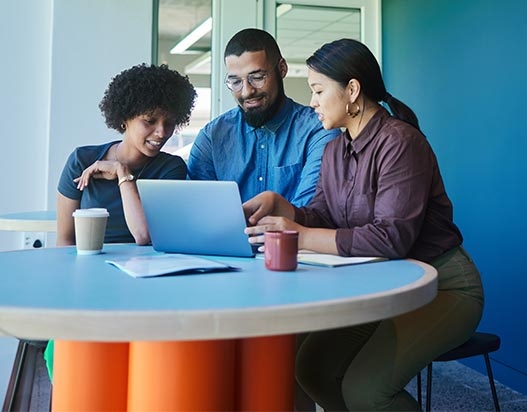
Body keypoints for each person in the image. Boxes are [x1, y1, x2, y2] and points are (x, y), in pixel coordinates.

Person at [243, 39, 484, 411]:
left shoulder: (401, 143)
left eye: (318, 90)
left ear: (351, 90)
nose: (312, 102)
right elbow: (323, 216)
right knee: (311, 370)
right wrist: (286, 210)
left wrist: (303, 235)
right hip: (383, 286)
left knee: (365, 390)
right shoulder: (335, 150)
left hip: (442, 287)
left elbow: (391, 239)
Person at [188, 28, 340, 205]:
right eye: (236, 82)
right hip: (227, 234)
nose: (247, 91)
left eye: (257, 77)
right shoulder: (212, 137)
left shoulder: (319, 129)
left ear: (282, 69)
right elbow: (198, 209)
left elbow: (310, 209)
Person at [56, 63, 197, 247]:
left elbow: (143, 235)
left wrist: (122, 173)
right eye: (149, 121)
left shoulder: (170, 169)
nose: (162, 132)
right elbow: (65, 239)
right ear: (124, 119)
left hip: (147, 268)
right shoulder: (82, 160)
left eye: (169, 123)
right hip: (91, 264)